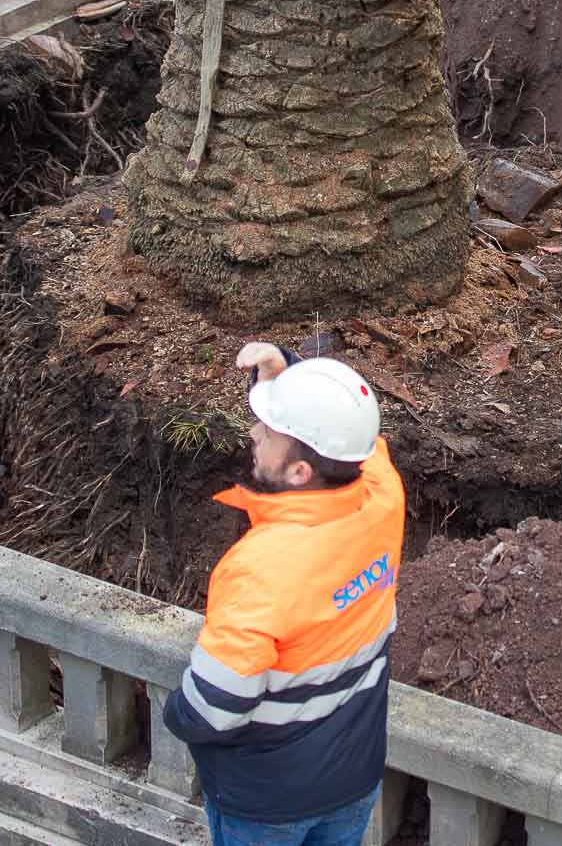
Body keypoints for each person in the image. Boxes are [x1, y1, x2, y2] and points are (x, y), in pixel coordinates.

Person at [162, 340, 403, 846]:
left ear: (299, 473)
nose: (252, 434)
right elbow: (354, 433)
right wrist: (283, 376)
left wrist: (174, 712)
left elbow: (214, 707)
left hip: (268, 802)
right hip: (353, 776)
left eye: (267, 431)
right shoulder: (382, 498)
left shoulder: (261, 569)